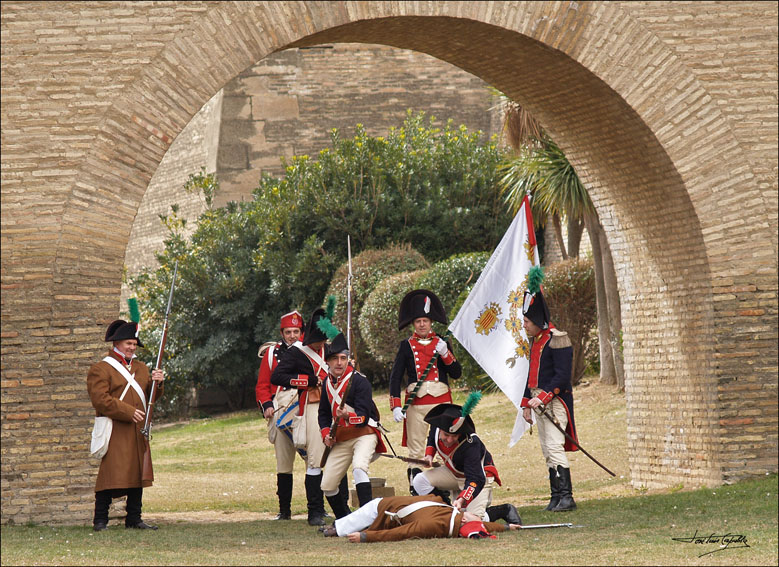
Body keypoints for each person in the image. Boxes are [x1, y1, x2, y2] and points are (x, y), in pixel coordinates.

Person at [271, 307, 346, 526]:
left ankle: (341, 507)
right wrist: (308, 380)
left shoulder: (330, 350)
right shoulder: (296, 352)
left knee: (338, 455)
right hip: (312, 405)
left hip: (333, 405)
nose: (321, 346)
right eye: (318, 341)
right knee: (315, 459)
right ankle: (315, 511)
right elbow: (278, 376)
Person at [86, 319, 164, 531]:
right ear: (117, 343)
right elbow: (100, 400)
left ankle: (134, 518)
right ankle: (100, 520)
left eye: (134, 344)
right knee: (109, 476)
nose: (131, 347)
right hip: (115, 428)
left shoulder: (141, 368)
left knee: (138, 472)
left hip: (137, 430)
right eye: (128, 343)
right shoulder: (101, 369)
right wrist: (128, 412)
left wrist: (159, 382)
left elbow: (150, 397)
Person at [389, 289, 461, 494]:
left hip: (442, 406)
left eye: (426, 320)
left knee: (447, 444)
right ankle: (417, 491)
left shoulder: (442, 342)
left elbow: (456, 373)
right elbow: (395, 377)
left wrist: (446, 353)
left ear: (431, 322)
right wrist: (395, 406)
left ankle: (449, 486)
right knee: (416, 452)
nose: (422, 324)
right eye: (418, 321)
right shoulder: (406, 346)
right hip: (417, 406)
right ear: (413, 323)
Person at [411, 394, 519, 525]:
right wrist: (429, 455)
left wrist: (462, 498)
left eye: (454, 436)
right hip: (453, 472)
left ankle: (503, 510)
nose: (449, 440)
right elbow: (432, 439)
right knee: (419, 481)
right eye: (446, 435)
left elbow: (475, 479)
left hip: (479, 478)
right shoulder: (437, 426)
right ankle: (448, 510)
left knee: (468, 521)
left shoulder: (471, 444)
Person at [520, 267, 578, 512]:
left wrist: (542, 398)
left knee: (554, 446)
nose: (525, 325)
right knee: (546, 449)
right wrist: (526, 403)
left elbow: (563, 377)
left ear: (538, 321)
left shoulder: (557, 338)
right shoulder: (535, 341)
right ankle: (556, 495)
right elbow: (530, 374)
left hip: (555, 402)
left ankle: (567, 496)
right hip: (537, 402)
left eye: (527, 321)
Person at [318, 332, 385, 519]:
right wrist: (326, 434)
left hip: (364, 433)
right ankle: (344, 520)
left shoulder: (360, 380)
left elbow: (363, 417)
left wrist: (347, 415)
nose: (339, 363)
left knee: (359, 467)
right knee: (328, 484)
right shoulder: (326, 383)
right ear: (328, 362)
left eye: (343, 358)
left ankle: (367, 518)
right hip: (342, 437)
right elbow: (323, 414)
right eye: (335, 359)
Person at [255, 310, 305, 520]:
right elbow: (262, 386)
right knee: (284, 462)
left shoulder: (311, 351)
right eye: (288, 332)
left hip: (305, 406)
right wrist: (267, 406)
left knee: (315, 460)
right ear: (282, 333)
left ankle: (318, 507)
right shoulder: (271, 354)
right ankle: (284, 510)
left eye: (296, 331)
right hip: (281, 408)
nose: (292, 335)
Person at [320, 494, 521, 542]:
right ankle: (337, 527)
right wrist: (508, 528)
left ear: (466, 522)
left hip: (387, 508)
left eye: (471, 516)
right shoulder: (457, 518)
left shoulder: (432, 525)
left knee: (371, 509)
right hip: (406, 503)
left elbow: (401, 532)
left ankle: (337, 529)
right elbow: (485, 526)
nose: (471, 513)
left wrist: (366, 537)